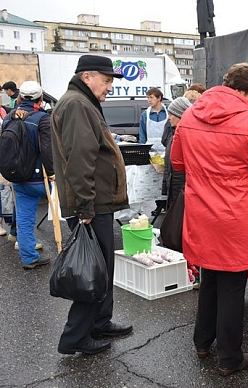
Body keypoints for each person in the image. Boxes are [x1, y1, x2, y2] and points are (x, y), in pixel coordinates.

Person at [171, 63, 248, 376]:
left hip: (201, 214)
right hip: (236, 218)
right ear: (243, 90)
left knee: (210, 278)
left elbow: (177, 162)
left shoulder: (191, 114)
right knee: (233, 285)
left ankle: (203, 341)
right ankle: (230, 358)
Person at [51, 54, 132, 355]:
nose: (110, 87)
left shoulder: (82, 101)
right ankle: (74, 338)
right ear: (88, 76)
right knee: (91, 271)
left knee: (102, 268)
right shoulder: (76, 104)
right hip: (91, 205)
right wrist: (85, 207)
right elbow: (80, 159)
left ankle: (99, 322)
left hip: (95, 202)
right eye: (107, 80)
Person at [0, 81, 53, 268]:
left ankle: (29, 257)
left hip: (17, 175)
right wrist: (53, 173)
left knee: (24, 218)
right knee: (62, 211)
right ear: (40, 97)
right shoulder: (42, 118)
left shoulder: (8, 118)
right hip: (39, 178)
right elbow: (47, 149)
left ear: (20, 97)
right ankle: (69, 251)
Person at [161, 96, 193, 209]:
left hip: (183, 187)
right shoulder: (172, 133)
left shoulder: (188, 135)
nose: (168, 118)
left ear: (180, 115)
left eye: (171, 114)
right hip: (173, 184)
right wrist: (165, 186)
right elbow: (168, 163)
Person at [139, 87, 167, 152]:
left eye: (151, 97)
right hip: (150, 149)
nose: (149, 100)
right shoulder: (145, 115)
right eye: (148, 98)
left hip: (166, 149)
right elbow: (142, 134)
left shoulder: (168, 112)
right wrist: (142, 150)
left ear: (159, 98)